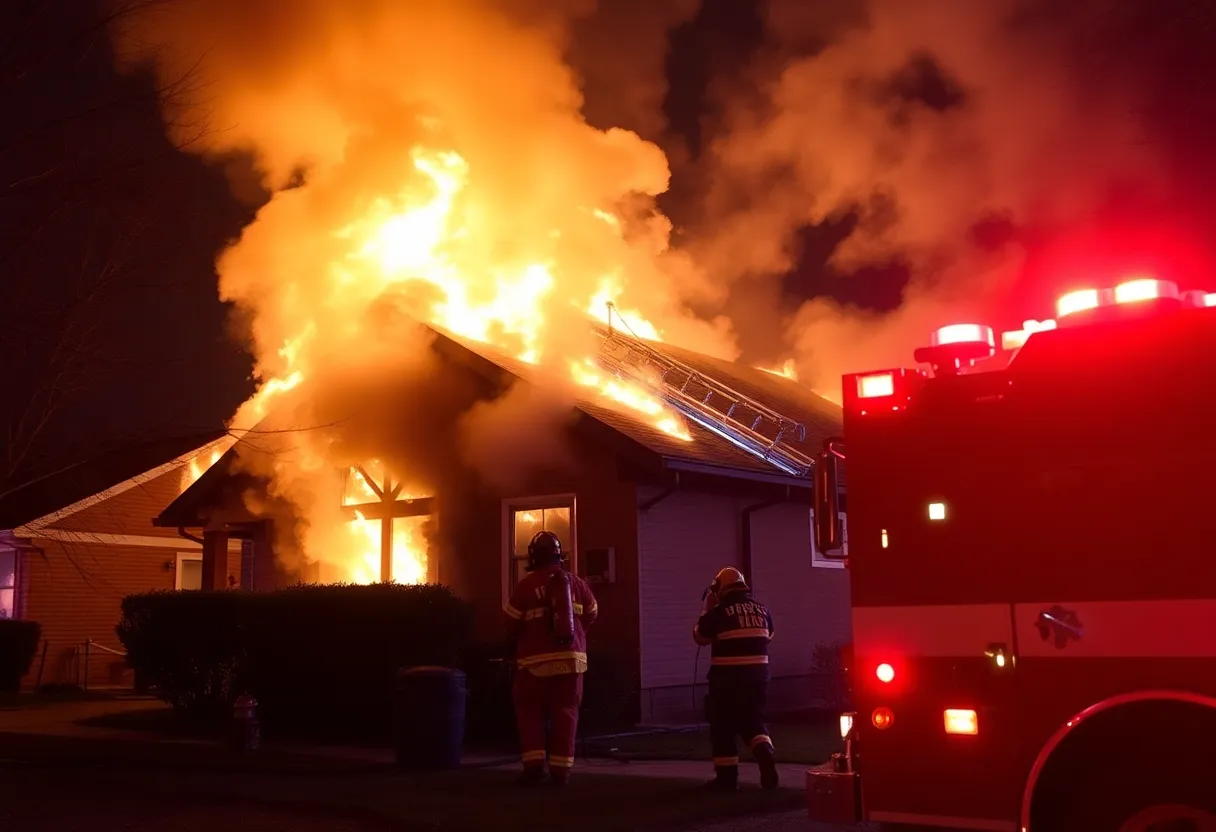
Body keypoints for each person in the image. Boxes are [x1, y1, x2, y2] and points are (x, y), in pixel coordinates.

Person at [503, 530, 598, 787]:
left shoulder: (526, 586)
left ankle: (534, 768)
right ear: (559, 555)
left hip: (534, 665)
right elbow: (591, 613)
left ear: (534, 557)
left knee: (529, 712)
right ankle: (561, 773)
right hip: (571, 663)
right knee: (566, 714)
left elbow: (509, 625)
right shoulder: (577, 584)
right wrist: (576, 636)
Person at [692, 566, 779, 792]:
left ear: (721, 588)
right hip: (759, 679)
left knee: (723, 726)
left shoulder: (720, 612)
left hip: (727, 681)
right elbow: (768, 636)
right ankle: (765, 754)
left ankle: (727, 781)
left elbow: (700, 636)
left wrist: (706, 608)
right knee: (753, 722)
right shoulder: (762, 610)